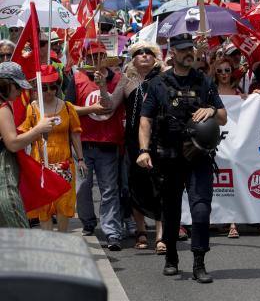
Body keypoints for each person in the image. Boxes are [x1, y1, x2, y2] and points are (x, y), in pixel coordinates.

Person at [137, 33, 227, 283]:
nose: (190, 53)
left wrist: (211, 109)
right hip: (168, 157)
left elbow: (222, 116)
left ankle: (199, 262)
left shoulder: (204, 82)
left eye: (191, 49)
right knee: (171, 211)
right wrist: (144, 150)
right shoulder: (158, 84)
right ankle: (172, 258)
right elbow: (145, 120)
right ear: (172, 53)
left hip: (198, 156)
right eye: (184, 50)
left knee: (201, 210)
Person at [67, 40, 128, 251]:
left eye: (100, 55)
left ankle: (112, 231)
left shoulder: (118, 79)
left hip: (108, 143)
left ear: (106, 57)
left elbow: (112, 107)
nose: (96, 60)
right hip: (83, 143)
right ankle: (88, 222)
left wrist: (103, 87)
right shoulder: (77, 78)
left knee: (109, 189)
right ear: (85, 58)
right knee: (83, 187)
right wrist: (91, 108)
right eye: (92, 56)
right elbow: (68, 108)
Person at [20, 65, 85, 232]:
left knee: (63, 203)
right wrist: (38, 130)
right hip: (40, 165)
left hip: (64, 163)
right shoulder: (32, 109)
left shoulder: (68, 108)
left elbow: (75, 134)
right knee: (44, 206)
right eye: (44, 87)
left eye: (53, 87)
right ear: (37, 88)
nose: (49, 91)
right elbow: (25, 133)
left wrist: (81, 159)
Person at [0, 62, 56, 227]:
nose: (20, 92)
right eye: (18, 87)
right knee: (19, 233)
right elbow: (13, 144)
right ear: (7, 84)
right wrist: (38, 129)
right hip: (4, 179)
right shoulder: (3, 108)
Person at [122, 41, 165, 253]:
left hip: (159, 138)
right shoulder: (126, 82)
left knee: (160, 186)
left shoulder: (164, 79)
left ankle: (160, 234)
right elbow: (109, 105)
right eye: (140, 52)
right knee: (135, 185)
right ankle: (140, 230)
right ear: (133, 58)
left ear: (156, 57)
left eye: (149, 52)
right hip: (132, 141)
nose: (145, 55)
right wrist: (102, 87)